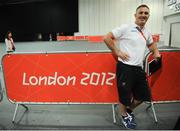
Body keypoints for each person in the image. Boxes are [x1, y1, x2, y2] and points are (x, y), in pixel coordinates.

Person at [104, 4, 161, 129]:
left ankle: (127, 110)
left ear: (148, 16)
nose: (143, 15)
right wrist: (117, 51)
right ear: (135, 15)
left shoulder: (146, 32)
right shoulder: (126, 27)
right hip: (125, 68)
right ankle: (124, 116)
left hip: (138, 69)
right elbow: (107, 38)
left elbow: (151, 44)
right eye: (141, 12)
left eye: (146, 13)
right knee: (124, 96)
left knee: (143, 96)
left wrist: (156, 53)